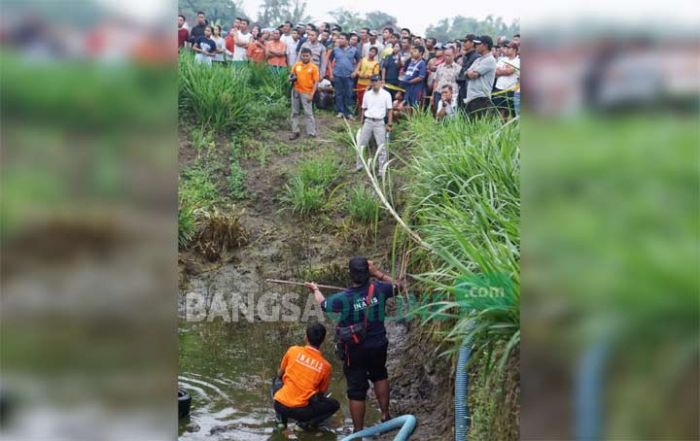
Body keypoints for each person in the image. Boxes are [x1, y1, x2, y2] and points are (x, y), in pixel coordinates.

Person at [307, 257, 401, 433]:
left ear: (350, 274)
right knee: (380, 376)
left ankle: (358, 431)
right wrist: (378, 273)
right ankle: (385, 415)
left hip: (355, 350)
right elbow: (400, 286)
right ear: (368, 272)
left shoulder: (344, 298)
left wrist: (316, 289)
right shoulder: (379, 288)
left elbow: (324, 304)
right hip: (378, 344)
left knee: (356, 390)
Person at [273, 323, 340, 431]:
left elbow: (280, 374)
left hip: (279, 404)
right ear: (323, 341)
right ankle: (303, 424)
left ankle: (281, 420)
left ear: (306, 337)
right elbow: (321, 392)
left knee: (276, 380)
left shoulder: (293, 350)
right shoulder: (326, 366)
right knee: (334, 405)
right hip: (302, 411)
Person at [354, 75, 393, 176]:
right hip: (368, 121)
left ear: (380, 82)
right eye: (372, 81)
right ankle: (359, 165)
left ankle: (381, 169)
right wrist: (361, 123)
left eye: (376, 81)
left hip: (379, 122)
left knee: (382, 146)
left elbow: (390, 110)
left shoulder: (386, 95)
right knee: (361, 144)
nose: (374, 83)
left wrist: (389, 124)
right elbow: (363, 108)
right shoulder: (367, 94)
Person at [328, 33, 361, 119]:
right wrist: (331, 73)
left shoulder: (354, 50)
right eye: (339, 38)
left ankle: (349, 112)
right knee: (338, 94)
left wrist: (355, 71)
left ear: (347, 40)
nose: (339, 40)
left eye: (342, 38)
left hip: (349, 76)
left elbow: (359, 61)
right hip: (337, 75)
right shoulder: (335, 50)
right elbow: (329, 60)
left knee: (349, 94)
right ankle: (340, 111)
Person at [289, 48, 319, 140]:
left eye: (307, 56)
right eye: (303, 55)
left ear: (310, 56)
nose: (305, 57)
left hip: (307, 92)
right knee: (295, 112)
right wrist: (290, 78)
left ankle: (311, 132)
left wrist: (312, 94)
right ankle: (295, 131)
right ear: (301, 56)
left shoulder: (313, 67)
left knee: (308, 112)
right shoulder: (297, 65)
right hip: (296, 91)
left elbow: (316, 82)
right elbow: (291, 75)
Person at [465, 35, 497, 118]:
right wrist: (470, 73)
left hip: (481, 98)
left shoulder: (490, 60)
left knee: (478, 125)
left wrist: (470, 73)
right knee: (471, 126)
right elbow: (466, 73)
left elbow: (473, 75)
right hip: (472, 97)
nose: (476, 46)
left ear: (485, 46)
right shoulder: (478, 59)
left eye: (478, 44)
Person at [493, 41, 520, 119]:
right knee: (499, 112)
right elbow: (495, 71)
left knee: (510, 113)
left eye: (509, 48)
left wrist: (501, 70)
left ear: (515, 49)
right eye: (505, 48)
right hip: (499, 88)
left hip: (510, 90)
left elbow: (509, 71)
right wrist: (504, 70)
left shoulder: (518, 61)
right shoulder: (502, 59)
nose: (506, 49)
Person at [456, 34, 481, 109]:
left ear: (473, 43)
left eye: (466, 41)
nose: (463, 43)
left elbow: (471, 74)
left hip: (469, 89)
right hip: (462, 87)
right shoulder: (466, 56)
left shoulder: (476, 57)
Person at [353, 46, 380, 113]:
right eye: (370, 51)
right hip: (360, 82)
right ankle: (359, 114)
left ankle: (366, 114)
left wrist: (368, 76)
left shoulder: (376, 63)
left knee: (367, 100)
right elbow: (357, 69)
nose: (371, 53)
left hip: (368, 84)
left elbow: (375, 74)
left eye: (373, 52)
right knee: (359, 99)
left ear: (375, 54)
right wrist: (359, 74)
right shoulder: (363, 60)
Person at [433, 47, 460, 111]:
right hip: (439, 92)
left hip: (452, 94)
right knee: (439, 111)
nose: (446, 57)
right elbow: (436, 81)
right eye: (445, 55)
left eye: (449, 55)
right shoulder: (439, 67)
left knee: (451, 112)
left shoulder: (458, 68)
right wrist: (433, 94)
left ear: (454, 55)